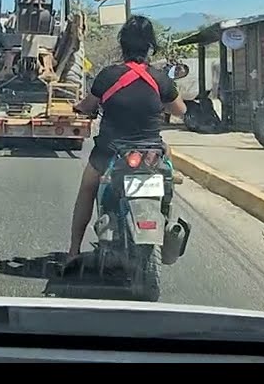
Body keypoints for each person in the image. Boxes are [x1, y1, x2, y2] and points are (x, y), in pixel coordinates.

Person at [67, 15, 187, 258]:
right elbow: (181, 110)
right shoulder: (160, 78)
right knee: (167, 162)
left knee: (87, 188)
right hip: (151, 153)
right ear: (150, 45)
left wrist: (79, 109)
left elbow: (89, 104)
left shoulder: (108, 75)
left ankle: (73, 251)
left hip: (111, 151)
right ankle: (165, 215)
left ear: (122, 44)